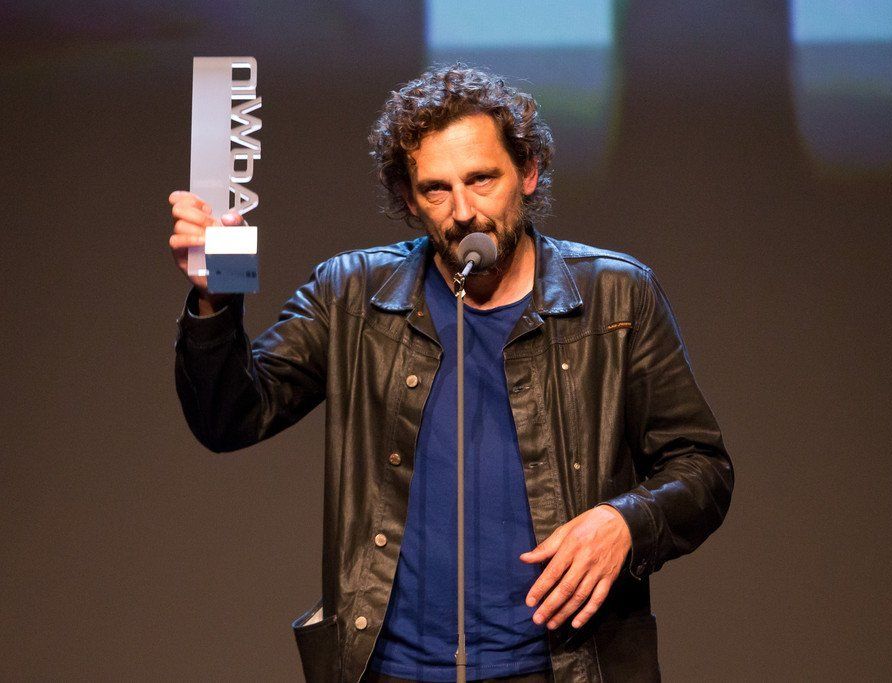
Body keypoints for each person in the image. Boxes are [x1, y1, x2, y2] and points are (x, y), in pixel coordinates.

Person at [169, 64, 733, 683]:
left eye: (482, 179)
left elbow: (702, 468)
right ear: (410, 199)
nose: (463, 212)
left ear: (528, 173)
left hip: (563, 668)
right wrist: (217, 296)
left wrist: (625, 522)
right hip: (392, 670)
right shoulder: (350, 293)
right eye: (436, 189)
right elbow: (230, 417)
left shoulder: (616, 296)